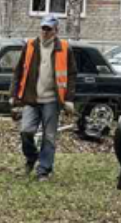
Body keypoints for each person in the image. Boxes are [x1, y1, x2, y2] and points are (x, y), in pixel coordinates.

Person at [9, 14, 78, 181]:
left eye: (49, 29)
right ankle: (32, 158)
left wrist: (69, 98)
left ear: (56, 30)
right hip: (32, 99)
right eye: (43, 28)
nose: (45, 32)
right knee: (26, 131)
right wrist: (13, 94)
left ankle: (43, 171)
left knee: (49, 136)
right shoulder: (30, 45)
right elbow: (18, 72)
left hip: (52, 101)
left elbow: (72, 74)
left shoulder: (64, 48)